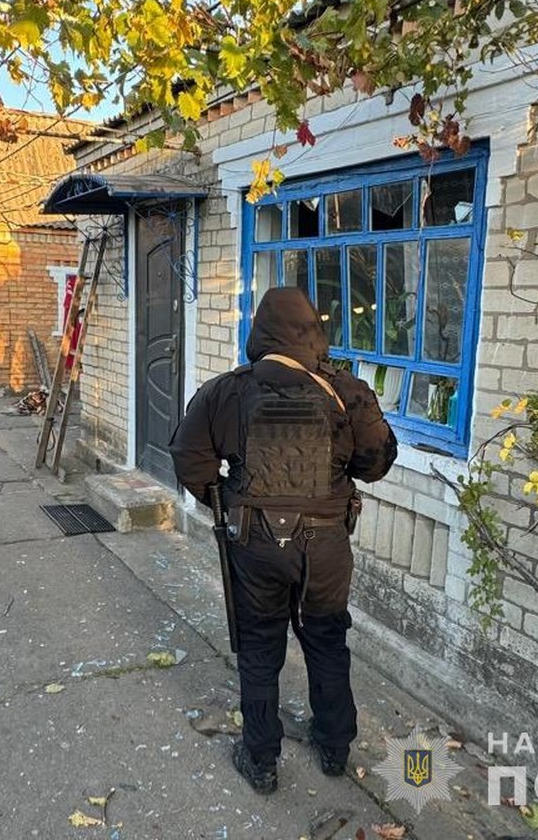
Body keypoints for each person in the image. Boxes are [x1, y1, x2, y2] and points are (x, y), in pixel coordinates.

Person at [169, 286, 397, 794]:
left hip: (254, 543)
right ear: (314, 332)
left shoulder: (226, 391)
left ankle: (261, 758)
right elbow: (377, 462)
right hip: (328, 545)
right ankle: (335, 749)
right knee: (326, 639)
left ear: (260, 332)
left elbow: (189, 459)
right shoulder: (347, 390)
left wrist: (229, 502)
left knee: (259, 644)